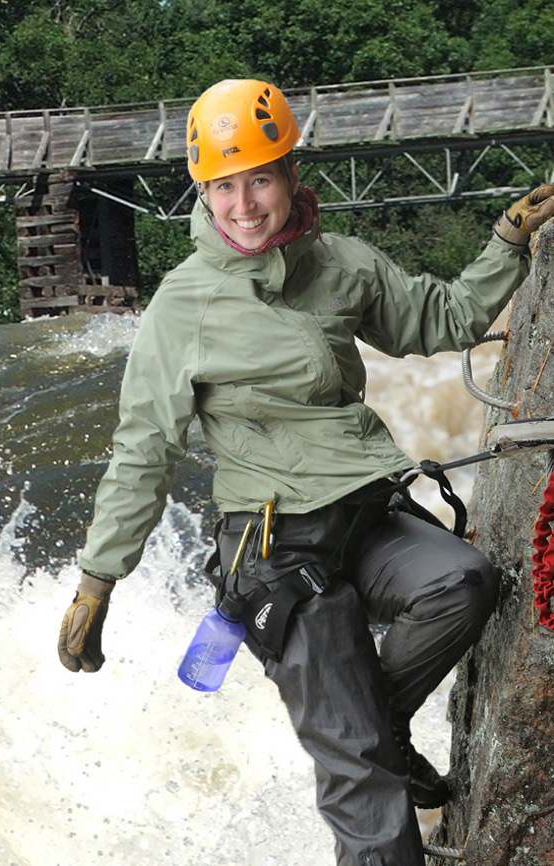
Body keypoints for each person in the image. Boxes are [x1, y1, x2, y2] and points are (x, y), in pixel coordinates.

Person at [57, 78, 554, 865]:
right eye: (224, 185)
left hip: (362, 516)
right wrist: (97, 582)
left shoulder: (343, 265)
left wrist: (507, 241)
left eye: (259, 178)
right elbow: (143, 449)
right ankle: (364, 739)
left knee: (461, 583)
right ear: (203, 191)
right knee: (364, 782)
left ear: (292, 174)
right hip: (273, 552)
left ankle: (372, 724)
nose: (244, 204)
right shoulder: (182, 306)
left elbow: (446, 319)